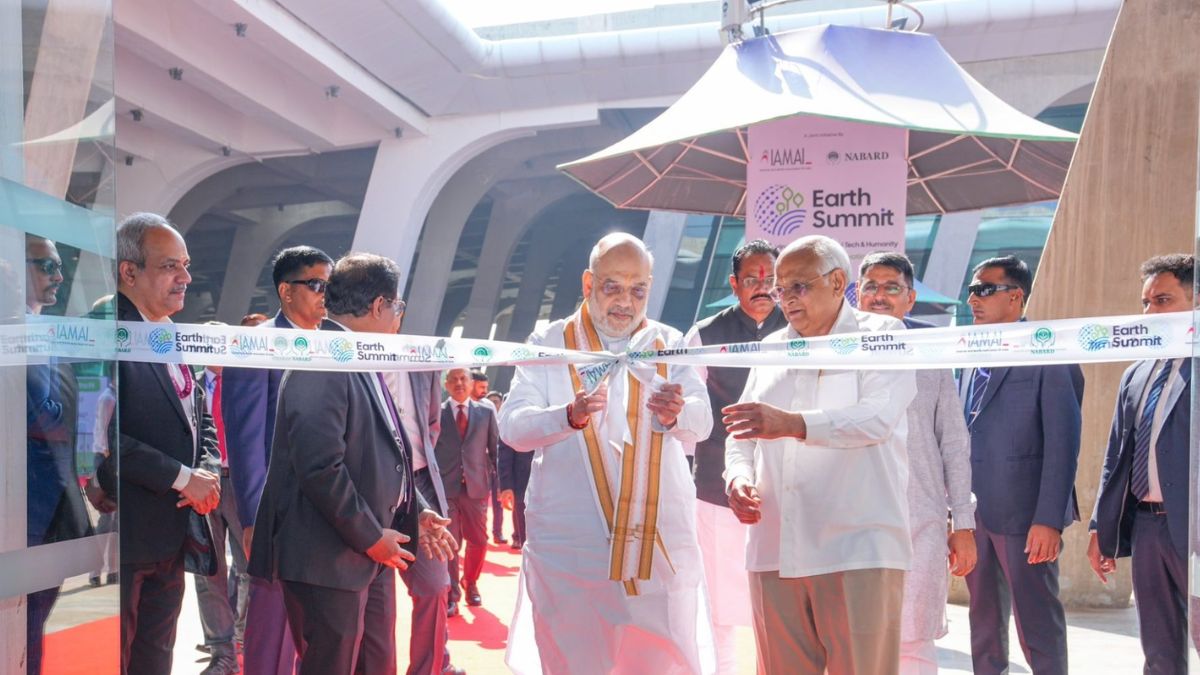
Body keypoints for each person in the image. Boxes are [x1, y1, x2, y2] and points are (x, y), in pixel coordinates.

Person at [499, 232, 715, 675]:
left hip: (656, 541)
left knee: (658, 661)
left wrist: (677, 414)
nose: (625, 302)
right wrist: (568, 416)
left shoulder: (668, 342)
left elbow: (703, 422)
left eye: (638, 290)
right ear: (587, 283)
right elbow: (513, 427)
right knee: (573, 661)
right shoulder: (550, 341)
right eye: (612, 286)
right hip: (571, 545)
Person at [247, 253, 455, 675]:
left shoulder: (356, 357)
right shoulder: (325, 360)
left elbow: (381, 452)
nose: (397, 316)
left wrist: (415, 509)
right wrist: (372, 537)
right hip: (327, 560)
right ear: (379, 306)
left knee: (375, 664)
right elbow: (321, 468)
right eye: (397, 306)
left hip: (363, 554)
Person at [723, 235, 916, 675]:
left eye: (799, 286)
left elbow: (877, 418)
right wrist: (737, 477)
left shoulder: (883, 335)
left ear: (837, 282)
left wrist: (793, 424)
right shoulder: (772, 347)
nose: (787, 299)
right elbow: (742, 431)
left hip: (857, 548)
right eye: (780, 290)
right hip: (775, 547)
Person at [961, 255, 1083, 675]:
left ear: (1015, 296)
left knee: (1037, 623)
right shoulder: (968, 354)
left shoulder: (1048, 351)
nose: (973, 299)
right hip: (973, 515)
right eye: (972, 290)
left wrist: (1048, 519)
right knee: (983, 621)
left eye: (984, 290)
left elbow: (1064, 443)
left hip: (1026, 517)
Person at [856, 251, 977, 674]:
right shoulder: (834, 348)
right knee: (855, 637)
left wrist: (963, 523)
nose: (879, 296)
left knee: (914, 640)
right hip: (851, 521)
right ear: (857, 295)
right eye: (870, 286)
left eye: (892, 287)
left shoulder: (930, 352)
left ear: (910, 299)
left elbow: (954, 442)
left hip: (919, 518)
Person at [114, 213, 222, 675]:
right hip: (124, 534)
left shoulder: (167, 333)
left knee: (155, 657)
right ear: (129, 272)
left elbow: (199, 416)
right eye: (170, 266)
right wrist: (182, 478)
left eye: (186, 265)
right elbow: (101, 437)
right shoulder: (107, 332)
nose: (186, 278)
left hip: (173, 534)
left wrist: (208, 471)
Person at [223, 245, 332, 675]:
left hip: (330, 510)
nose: (326, 294)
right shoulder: (256, 343)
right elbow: (246, 438)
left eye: (330, 285)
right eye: (317, 284)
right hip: (278, 513)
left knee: (321, 632)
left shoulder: (335, 345)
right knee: (273, 629)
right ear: (287, 291)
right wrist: (254, 518)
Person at [683, 238, 787, 675]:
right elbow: (687, 419)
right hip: (716, 490)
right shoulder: (704, 335)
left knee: (784, 605)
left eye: (771, 279)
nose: (762, 287)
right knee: (720, 605)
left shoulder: (802, 329)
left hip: (787, 488)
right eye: (751, 280)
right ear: (733, 283)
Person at [1089, 254, 1194, 675]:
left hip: (1195, 532)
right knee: (1159, 651)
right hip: (1148, 530)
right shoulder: (1136, 373)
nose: (1149, 312)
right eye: (1146, 302)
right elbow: (1115, 455)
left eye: (1163, 300)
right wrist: (1100, 526)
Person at [25, 235, 92, 675]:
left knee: (33, 624)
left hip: (53, 506)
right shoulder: (14, 332)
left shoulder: (44, 333)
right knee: (24, 625)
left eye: (59, 266)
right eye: (47, 266)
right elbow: (43, 415)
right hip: (23, 508)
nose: (59, 276)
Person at [383, 362, 466, 675]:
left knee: (434, 586)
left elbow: (432, 424)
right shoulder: (354, 355)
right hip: (367, 483)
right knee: (373, 602)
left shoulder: (421, 359)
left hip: (419, 485)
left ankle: (430, 667)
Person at [192, 354, 244, 675]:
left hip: (243, 482)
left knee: (251, 568)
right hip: (204, 484)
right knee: (208, 572)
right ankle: (223, 654)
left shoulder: (246, 380)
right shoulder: (192, 385)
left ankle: (245, 637)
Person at [436, 368, 499, 615]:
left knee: (479, 540)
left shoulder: (486, 412)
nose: (459, 383)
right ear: (446, 385)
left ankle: (470, 581)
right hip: (446, 488)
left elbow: (494, 448)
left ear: (472, 383)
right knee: (450, 542)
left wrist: (497, 482)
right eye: (454, 379)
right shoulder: (437, 412)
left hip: (476, 487)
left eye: (464, 379)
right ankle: (452, 594)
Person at [470, 369, 507, 544]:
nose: (485, 391)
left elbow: (495, 437)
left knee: (498, 501)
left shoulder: (488, 407)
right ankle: (478, 532)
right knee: (479, 504)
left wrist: (497, 464)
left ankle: (497, 532)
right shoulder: (458, 406)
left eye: (486, 387)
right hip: (471, 466)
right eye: (481, 387)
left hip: (489, 463)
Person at [494, 392, 531, 551]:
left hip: (552, 482)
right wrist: (506, 486)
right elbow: (505, 451)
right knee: (526, 534)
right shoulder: (513, 402)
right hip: (522, 482)